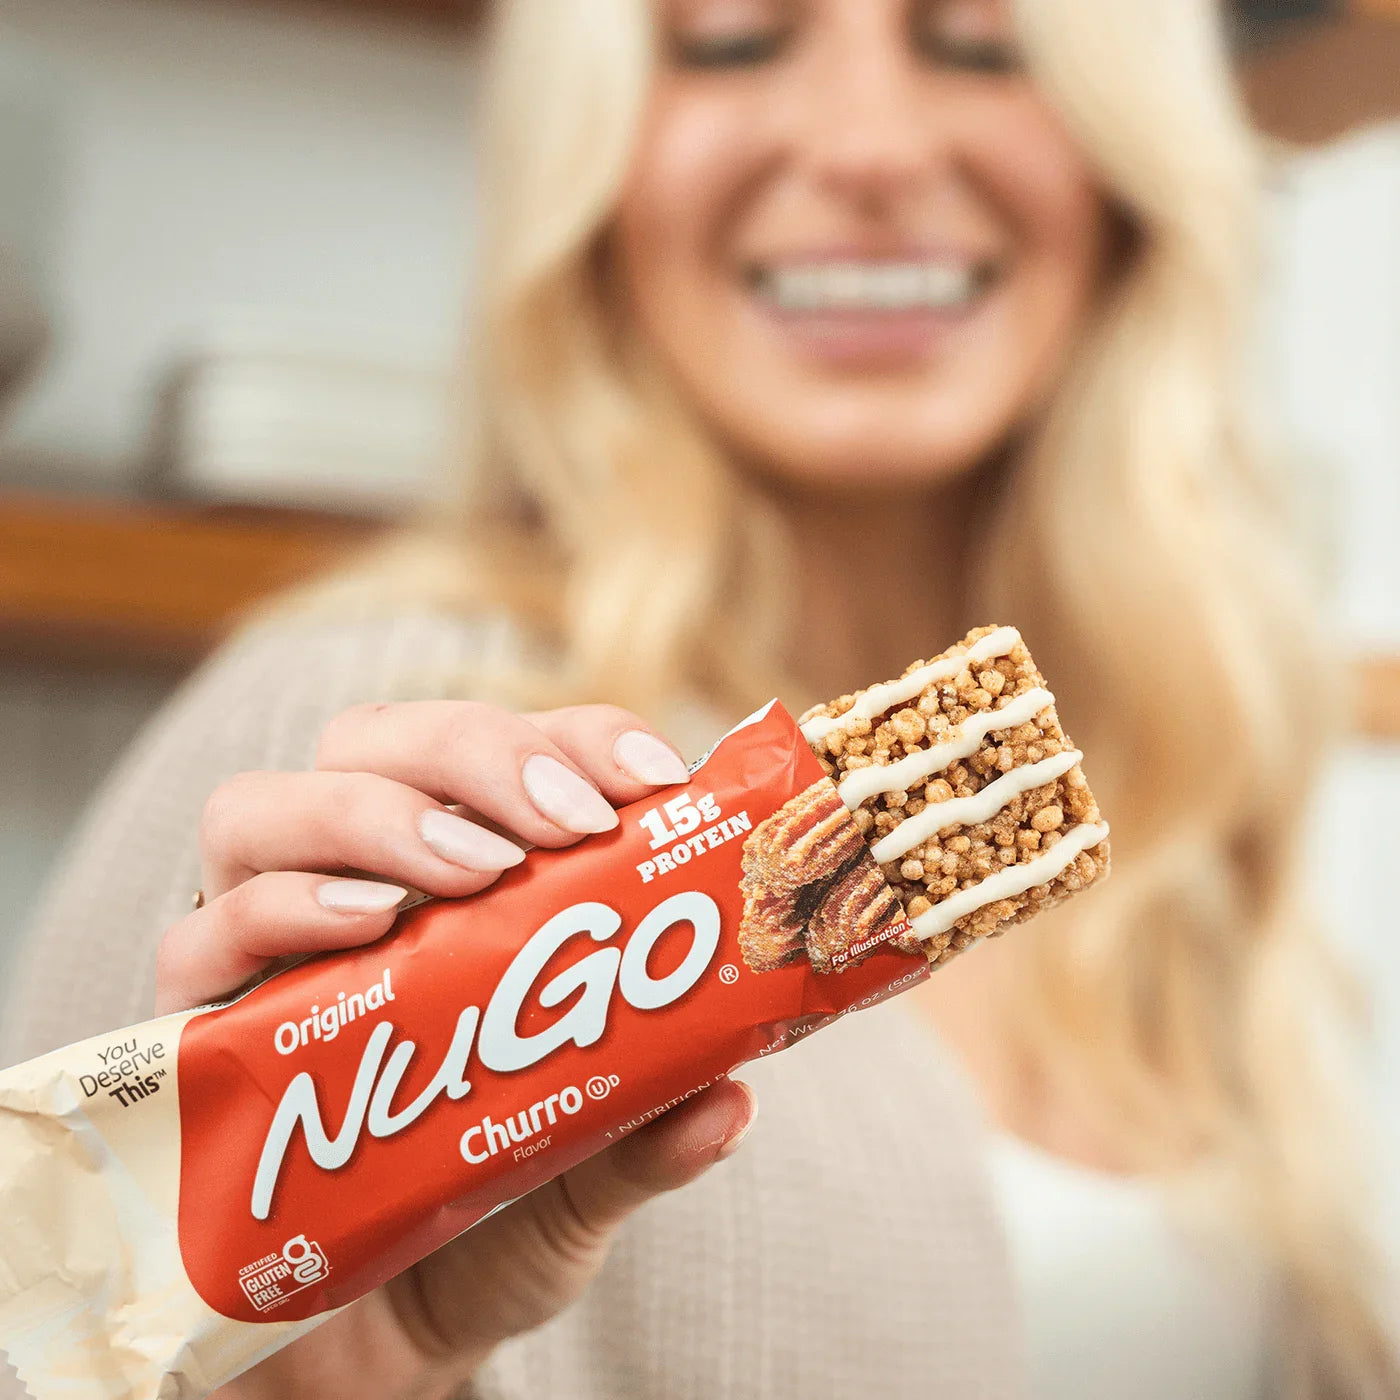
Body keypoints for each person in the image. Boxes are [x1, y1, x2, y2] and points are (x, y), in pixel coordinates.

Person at [1, 1, 1395, 1396]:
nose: (869, 147)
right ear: (592, 173)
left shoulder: (1156, 795)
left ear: (1129, 169)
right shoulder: (366, 739)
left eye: (981, 44)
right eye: (732, 39)